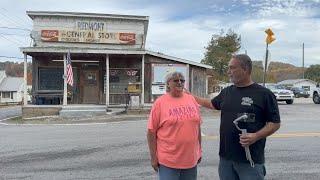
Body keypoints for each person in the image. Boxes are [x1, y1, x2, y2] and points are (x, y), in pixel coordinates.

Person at [193, 54, 281, 180]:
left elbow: (275, 123)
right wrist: (190, 96)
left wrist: (256, 136)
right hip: (226, 160)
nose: (228, 72)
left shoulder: (264, 94)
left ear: (245, 69)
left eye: (232, 68)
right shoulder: (227, 92)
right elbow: (212, 104)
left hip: (250, 161)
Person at [147, 71, 202, 180]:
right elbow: (151, 132)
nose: (180, 83)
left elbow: (197, 127)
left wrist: (199, 150)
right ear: (168, 84)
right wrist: (153, 157)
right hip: (168, 161)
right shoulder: (160, 103)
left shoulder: (191, 99)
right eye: (176, 80)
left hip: (190, 160)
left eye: (182, 80)